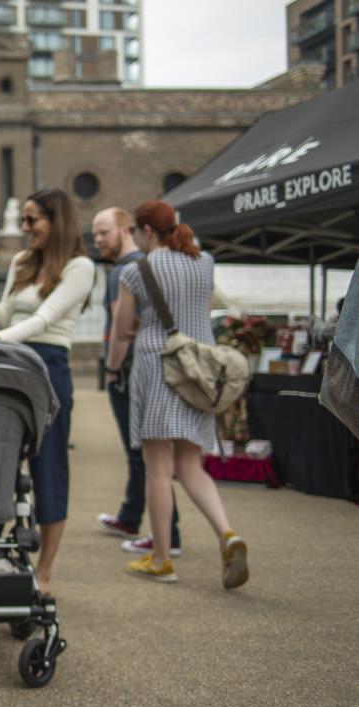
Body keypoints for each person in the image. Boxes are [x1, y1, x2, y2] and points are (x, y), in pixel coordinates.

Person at [106, 200, 248, 588]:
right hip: (197, 369)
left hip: (157, 367)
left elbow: (121, 330)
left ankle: (162, 559)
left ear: (147, 232)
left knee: (158, 470)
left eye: (136, 231)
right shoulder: (205, 262)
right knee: (190, 466)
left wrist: (138, 328)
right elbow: (199, 313)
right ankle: (227, 534)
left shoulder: (137, 271)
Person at [0, 188, 95, 594]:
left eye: (32, 219)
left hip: (48, 367)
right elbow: (7, 313)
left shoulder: (80, 267)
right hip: (10, 363)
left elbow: (44, 319)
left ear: (56, 221)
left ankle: (45, 569)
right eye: (23, 219)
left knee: (48, 466)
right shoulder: (22, 261)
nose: (24, 228)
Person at [92, 208, 183, 557]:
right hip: (144, 370)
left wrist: (113, 369)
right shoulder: (142, 265)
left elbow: (122, 328)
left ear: (125, 229)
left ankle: (168, 534)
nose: (98, 240)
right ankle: (130, 516)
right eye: (96, 234)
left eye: (104, 232)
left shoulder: (124, 271)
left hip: (130, 372)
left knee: (146, 457)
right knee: (142, 456)